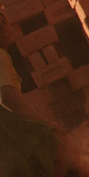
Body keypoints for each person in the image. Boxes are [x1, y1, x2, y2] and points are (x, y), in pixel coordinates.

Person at [0, 10, 59, 176]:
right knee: (56, 147)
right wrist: (43, 125)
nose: (4, 27)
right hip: (11, 150)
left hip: (8, 153)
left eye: (4, 21)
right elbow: (8, 97)